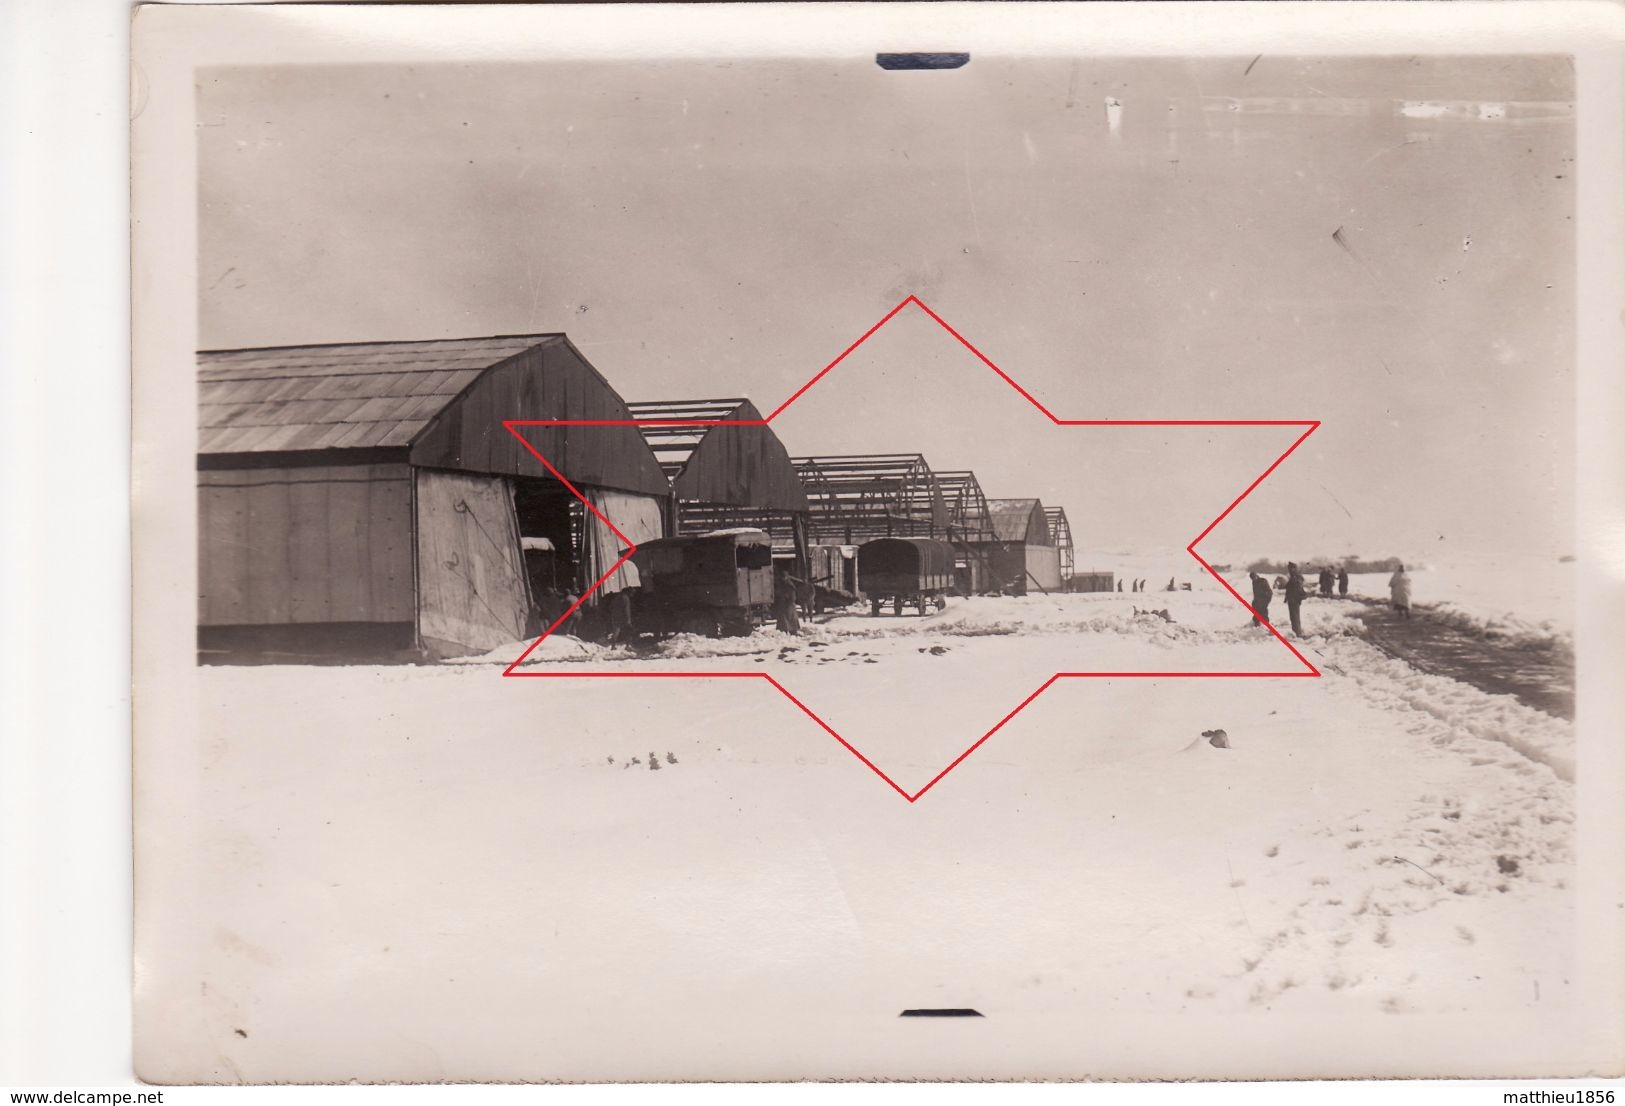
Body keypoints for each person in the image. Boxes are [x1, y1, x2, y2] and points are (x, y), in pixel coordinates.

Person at [774, 568, 803, 634]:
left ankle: (792, 631)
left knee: (790, 618)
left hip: (788, 605)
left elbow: (793, 596)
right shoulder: (782, 584)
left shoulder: (789, 585)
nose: (782, 578)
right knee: (785, 618)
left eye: (784, 577)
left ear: (786, 577)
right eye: (782, 577)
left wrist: (787, 598)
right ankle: (784, 631)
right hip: (784, 604)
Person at [1284, 562, 1307, 636]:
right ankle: (1296, 632)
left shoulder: (1296, 577)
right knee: (1293, 617)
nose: (1289, 570)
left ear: (1294, 568)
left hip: (1294, 600)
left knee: (1295, 617)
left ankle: (1298, 633)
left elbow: (1298, 588)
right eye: (1289, 568)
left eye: (1290, 568)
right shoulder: (1293, 577)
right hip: (1292, 599)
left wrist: (1297, 597)